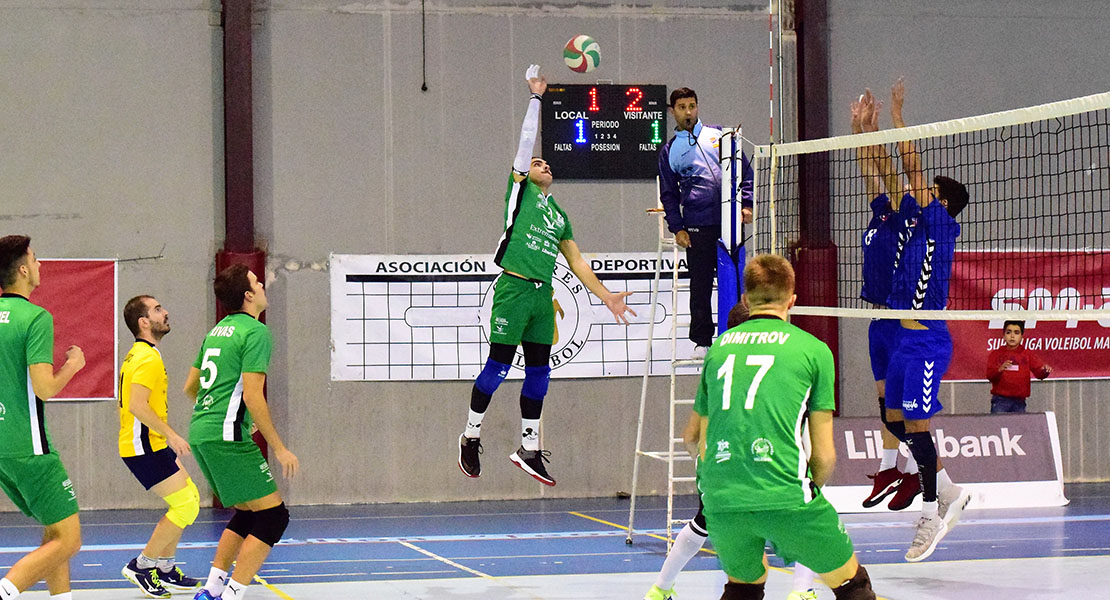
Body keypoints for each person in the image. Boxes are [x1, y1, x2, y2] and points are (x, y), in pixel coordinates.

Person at [457, 65, 636, 486]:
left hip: (542, 296)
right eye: (536, 163)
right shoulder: (519, 193)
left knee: (540, 373)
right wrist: (537, 96)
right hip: (513, 289)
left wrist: (606, 296)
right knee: (499, 367)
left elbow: (577, 262)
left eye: (546, 163)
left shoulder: (559, 216)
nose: (542, 163)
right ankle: (469, 434)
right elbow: (525, 143)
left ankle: (529, 448)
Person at [694, 254, 875, 600]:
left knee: (742, 590)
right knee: (855, 587)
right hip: (786, 496)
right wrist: (806, 497)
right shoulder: (813, 350)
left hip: (721, 498)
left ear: (745, 300)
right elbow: (824, 455)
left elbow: (702, 443)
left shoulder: (716, 352)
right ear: (792, 300)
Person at [644, 302, 819, 600]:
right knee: (809, 519)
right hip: (772, 462)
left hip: (722, 466)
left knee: (703, 521)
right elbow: (802, 429)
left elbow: (690, 435)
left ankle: (660, 589)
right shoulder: (789, 362)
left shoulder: (719, 366)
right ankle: (801, 592)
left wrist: (704, 467)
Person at [879, 80, 973, 562]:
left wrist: (897, 118)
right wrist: (867, 132)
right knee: (892, 420)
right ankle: (952, 490)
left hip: (927, 341)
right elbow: (899, 183)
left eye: (930, 192)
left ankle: (933, 512)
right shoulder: (919, 223)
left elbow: (911, 167)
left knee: (916, 426)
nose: (922, 193)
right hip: (901, 342)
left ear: (942, 202)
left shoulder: (942, 223)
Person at [185, 264, 299, 600]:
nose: (261, 283)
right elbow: (252, 395)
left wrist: (216, 411)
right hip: (226, 434)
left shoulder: (217, 331)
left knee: (249, 513)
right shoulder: (255, 332)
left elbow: (191, 386)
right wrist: (279, 448)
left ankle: (212, 589)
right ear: (248, 295)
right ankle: (233, 594)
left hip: (202, 430)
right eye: (255, 281)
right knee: (274, 518)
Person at [0, 235, 85, 600]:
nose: (39, 266)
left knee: (55, 528)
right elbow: (44, 388)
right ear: (22, 270)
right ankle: (7, 588)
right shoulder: (35, 317)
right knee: (70, 539)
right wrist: (73, 366)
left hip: (3, 449)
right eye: (35, 260)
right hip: (31, 447)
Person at [851, 85, 921, 512]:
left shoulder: (912, 215)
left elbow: (895, 173)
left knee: (900, 407)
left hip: (901, 320)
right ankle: (893, 467)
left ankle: (913, 472)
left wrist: (892, 120)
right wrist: (859, 128)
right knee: (885, 408)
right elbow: (868, 168)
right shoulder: (881, 214)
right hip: (877, 320)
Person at [658, 87, 754, 356]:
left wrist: (747, 204)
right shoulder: (669, 151)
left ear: (697, 107)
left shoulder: (720, 136)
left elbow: (745, 173)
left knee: (734, 279)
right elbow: (669, 193)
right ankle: (702, 341)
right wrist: (677, 227)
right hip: (697, 225)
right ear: (672, 111)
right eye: (681, 107)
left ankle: (739, 333)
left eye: (692, 106)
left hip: (730, 223)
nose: (688, 112)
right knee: (699, 285)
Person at [118, 295, 202, 597]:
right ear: (144, 322)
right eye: (157, 310)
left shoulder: (144, 353)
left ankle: (165, 568)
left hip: (150, 443)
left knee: (188, 498)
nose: (165, 312)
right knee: (186, 505)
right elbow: (137, 406)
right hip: (143, 447)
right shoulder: (146, 357)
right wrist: (173, 435)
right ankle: (142, 565)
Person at [986, 320, 1051, 413]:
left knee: (1018, 427)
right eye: (1008, 332)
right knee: (998, 426)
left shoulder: (1027, 354)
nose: (1012, 336)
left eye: (1016, 333)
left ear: (1021, 337)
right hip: (1000, 401)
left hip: (1019, 401)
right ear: (1003, 335)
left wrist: (1045, 371)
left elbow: (1039, 373)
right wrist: (999, 370)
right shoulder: (996, 354)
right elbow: (990, 376)